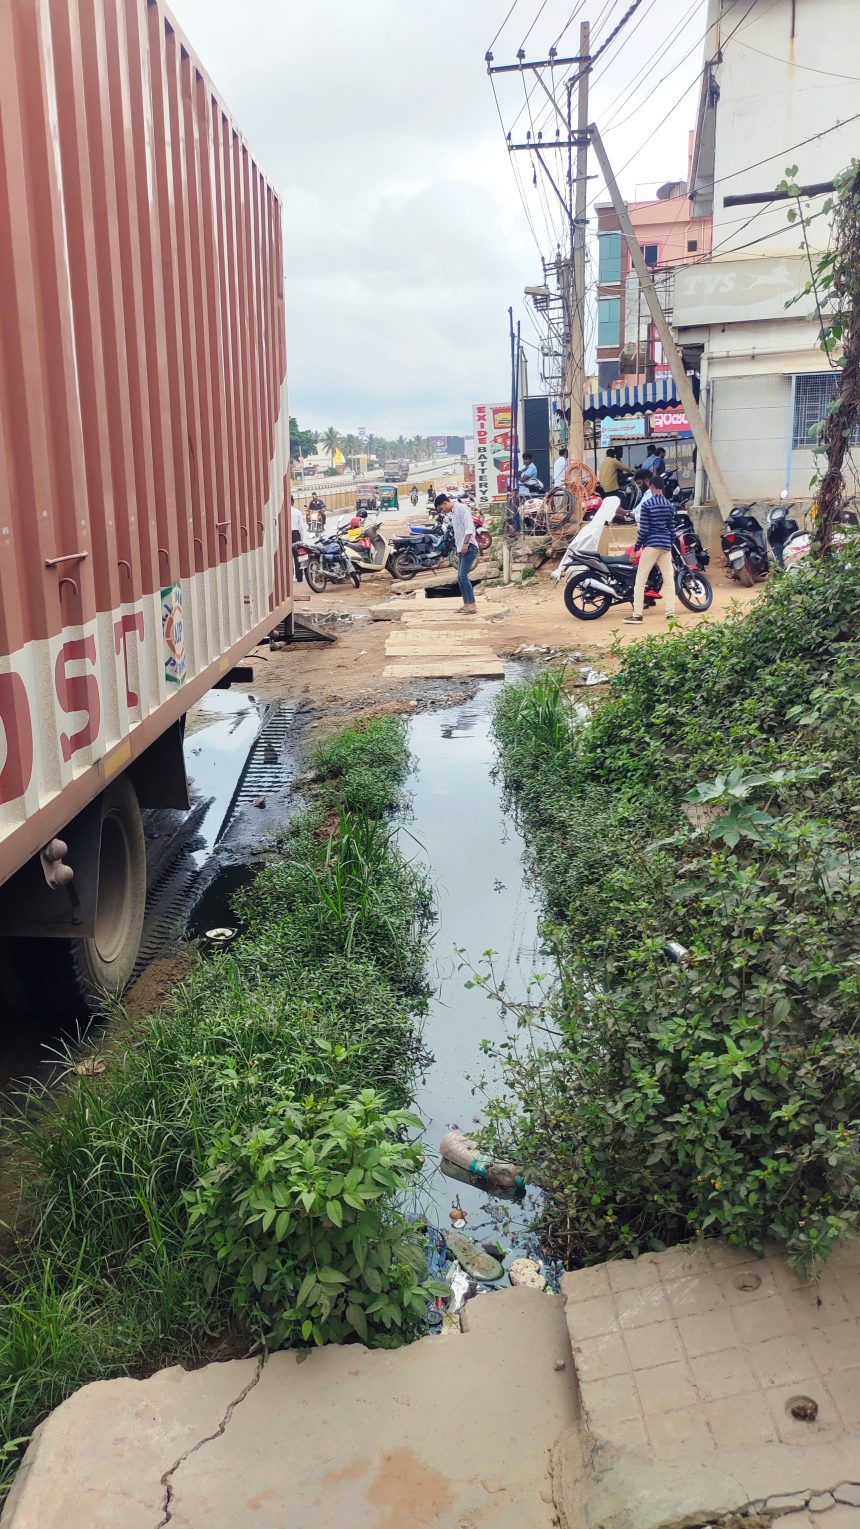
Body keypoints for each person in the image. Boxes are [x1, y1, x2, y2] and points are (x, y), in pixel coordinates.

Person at [624, 485, 677, 624]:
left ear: (652, 487)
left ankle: (637, 615)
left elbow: (644, 530)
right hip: (665, 546)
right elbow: (672, 529)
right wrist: (668, 543)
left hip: (652, 545)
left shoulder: (647, 504)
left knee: (640, 580)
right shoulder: (669, 505)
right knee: (669, 580)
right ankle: (670, 614)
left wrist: (636, 549)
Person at [437, 491, 478, 614]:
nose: (442, 511)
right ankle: (467, 604)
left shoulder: (461, 508)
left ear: (445, 502)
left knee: (463, 576)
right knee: (460, 577)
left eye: (441, 508)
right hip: (461, 548)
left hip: (468, 546)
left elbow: (469, 527)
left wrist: (465, 544)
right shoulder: (454, 513)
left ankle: (472, 605)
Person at [290, 495, 307, 583]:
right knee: (298, 557)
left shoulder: (282, 512)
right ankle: (299, 577)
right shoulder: (297, 512)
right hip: (296, 534)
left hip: (286, 534)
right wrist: (301, 539)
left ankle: (289, 577)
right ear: (293, 501)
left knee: (287, 558)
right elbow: (301, 527)